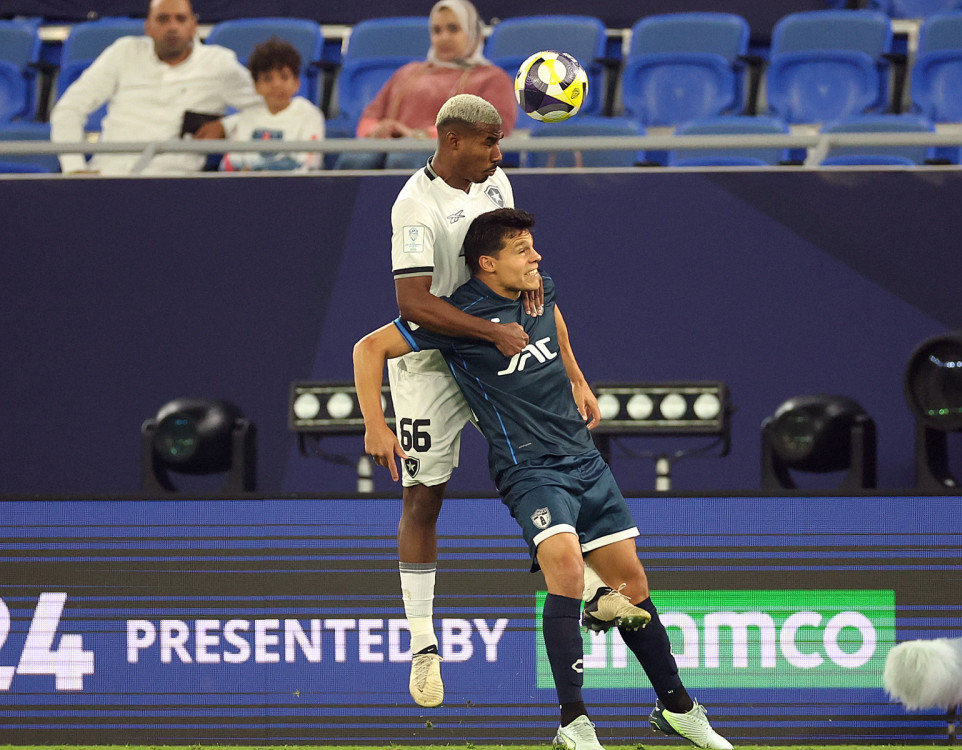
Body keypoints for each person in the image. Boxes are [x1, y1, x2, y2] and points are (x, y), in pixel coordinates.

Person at [353, 208, 733, 750]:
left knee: (634, 587)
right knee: (564, 569)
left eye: (533, 247)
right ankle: (573, 724)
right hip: (528, 467)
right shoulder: (456, 320)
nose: (537, 257)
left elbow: (554, 319)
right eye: (523, 250)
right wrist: (375, 424)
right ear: (488, 263)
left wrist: (577, 377)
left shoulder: (539, 289)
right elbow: (368, 349)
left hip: (583, 458)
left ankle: (677, 708)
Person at [381, 93, 643, 709]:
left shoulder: (495, 182)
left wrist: (573, 372)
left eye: (500, 142)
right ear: (452, 141)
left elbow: (525, 278)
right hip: (431, 359)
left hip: (501, 351)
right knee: (423, 499)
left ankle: (598, 594)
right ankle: (423, 644)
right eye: (489, 142)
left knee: (552, 459)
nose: (499, 153)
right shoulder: (414, 205)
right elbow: (413, 305)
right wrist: (492, 329)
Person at [49, 0, 262, 175]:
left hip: (174, 185)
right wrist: (74, 168)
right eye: (163, 19)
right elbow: (69, 109)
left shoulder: (218, 64)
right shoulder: (123, 52)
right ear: (147, 27)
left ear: (193, 26)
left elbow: (268, 109)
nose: (172, 27)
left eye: (180, 19)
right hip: (109, 177)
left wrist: (226, 126)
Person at [334, 0, 517, 171]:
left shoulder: (492, 78)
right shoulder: (408, 72)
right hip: (393, 146)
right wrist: (379, 131)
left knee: (403, 159)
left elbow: (492, 131)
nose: (444, 37)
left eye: (453, 29)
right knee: (355, 159)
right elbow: (369, 118)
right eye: (437, 31)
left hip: (448, 156)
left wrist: (418, 136)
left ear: (474, 34)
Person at [199, 37, 324, 172]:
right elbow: (229, 164)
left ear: (297, 83)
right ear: (256, 86)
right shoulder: (247, 116)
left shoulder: (310, 115)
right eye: (267, 79)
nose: (277, 85)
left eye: (284, 77)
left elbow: (310, 164)